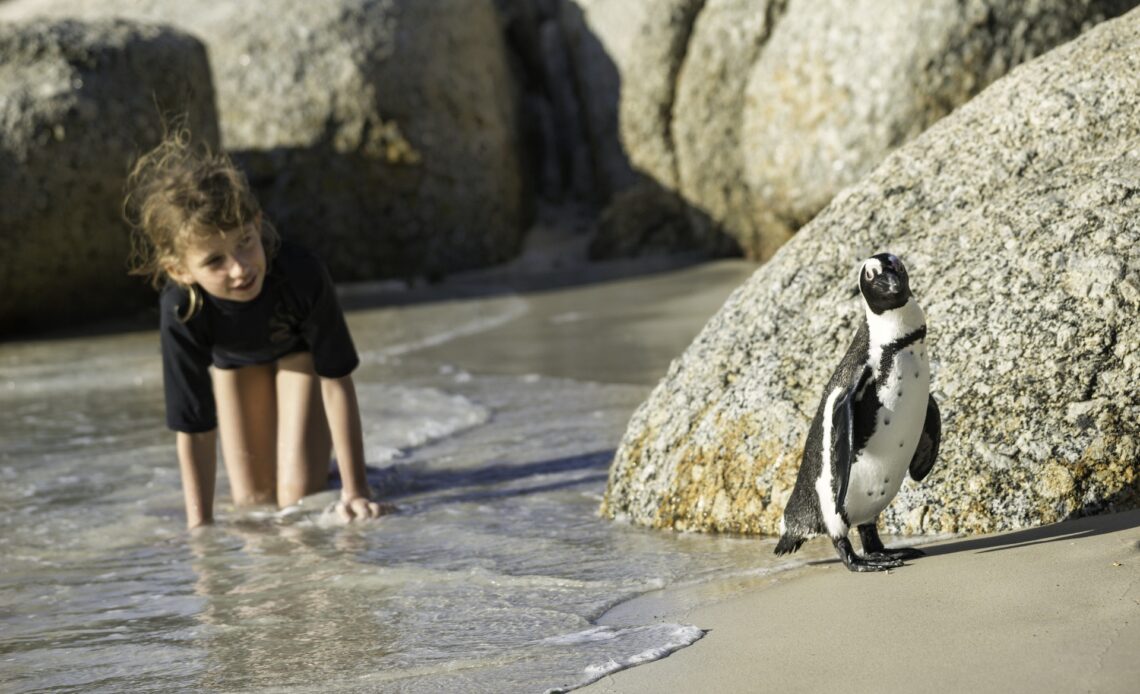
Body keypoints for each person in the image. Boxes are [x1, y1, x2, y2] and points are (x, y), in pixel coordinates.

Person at [125, 129, 386, 528]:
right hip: (235, 363)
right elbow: (194, 429)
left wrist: (357, 490)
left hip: (300, 357)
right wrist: (200, 529)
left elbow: (336, 380)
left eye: (245, 241)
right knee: (253, 504)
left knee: (296, 499)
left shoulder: (302, 273)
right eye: (214, 261)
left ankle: (329, 471)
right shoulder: (181, 309)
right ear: (180, 271)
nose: (240, 267)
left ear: (257, 222)